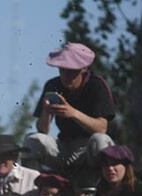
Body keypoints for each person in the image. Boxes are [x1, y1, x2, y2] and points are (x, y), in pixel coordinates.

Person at [23, 42, 115, 185]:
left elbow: (102, 128)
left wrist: (73, 113)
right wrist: (46, 113)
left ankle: (104, 190)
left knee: (100, 140)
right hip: (63, 148)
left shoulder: (97, 85)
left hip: (88, 150)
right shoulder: (52, 85)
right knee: (32, 140)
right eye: (62, 70)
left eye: (71, 71)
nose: (65, 76)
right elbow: (42, 130)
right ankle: (29, 190)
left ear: (84, 69)